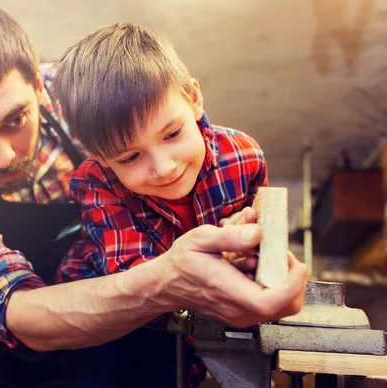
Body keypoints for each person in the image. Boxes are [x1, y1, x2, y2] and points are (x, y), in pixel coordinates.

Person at [0, 3, 308, 388]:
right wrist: (169, 282)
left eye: (15, 120)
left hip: (95, 347)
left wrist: (242, 244)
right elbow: (17, 309)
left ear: (40, 86)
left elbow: (190, 145)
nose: (4, 156)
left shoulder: (83, 97)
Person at [51, 22, 292, 387]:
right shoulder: (94, 182)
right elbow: (138, 280)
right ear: (100, 157)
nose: (164, 168)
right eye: (130, 157)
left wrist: (250, 246)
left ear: (193, 98)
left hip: (189, 320)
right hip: (107, 322)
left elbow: (262, 253)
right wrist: (223, 252)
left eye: (173, 134)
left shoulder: (245, 156)